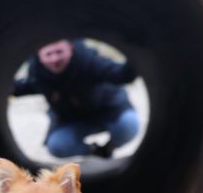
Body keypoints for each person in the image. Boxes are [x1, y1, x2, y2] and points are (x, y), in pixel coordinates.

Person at [12, 39, 140, 159]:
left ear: (70, 49)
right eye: (48, 54)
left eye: (59, 52)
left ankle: (109, 148)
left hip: (108, 109)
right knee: (57, 146)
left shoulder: (89, 61)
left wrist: (136, 54)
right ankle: (93, 152)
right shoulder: (37, 75)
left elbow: (122, 75)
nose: (55, 59)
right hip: (70, 120)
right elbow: (20, 88)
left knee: (129, 124)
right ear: (39, 55)